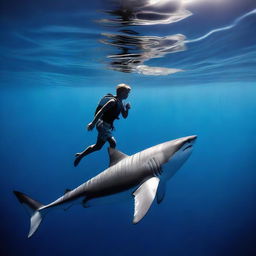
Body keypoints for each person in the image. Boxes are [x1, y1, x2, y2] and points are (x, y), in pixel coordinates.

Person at [74, 83, 131, 167]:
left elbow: (124, 116)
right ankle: (113, 162)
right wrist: (93, 123)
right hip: (101, 124)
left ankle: (81, 155)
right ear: (122, 92)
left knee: (98, 147)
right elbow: (101, 111)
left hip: (107, 126)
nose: (128, 95)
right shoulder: (112, 101)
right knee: (113, 143)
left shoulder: (121, 103)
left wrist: (127, 109)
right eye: (127, 93)